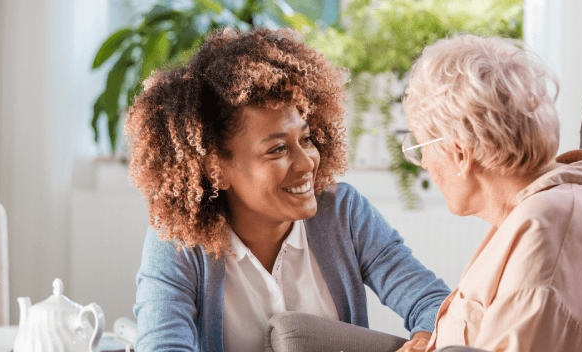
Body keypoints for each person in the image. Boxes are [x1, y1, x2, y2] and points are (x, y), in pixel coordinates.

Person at [125, 27, 450, 352]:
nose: (307, 163)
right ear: (215, 169)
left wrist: (424, 342)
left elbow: (435, 304)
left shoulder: (344, 213)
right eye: (277, 149)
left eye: (306, 139)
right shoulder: (179, 242)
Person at [397, 34, 582, 352]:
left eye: (421, 146)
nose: (421, 162)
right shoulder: (551, 204)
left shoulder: (547, 235)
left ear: (461, 154)